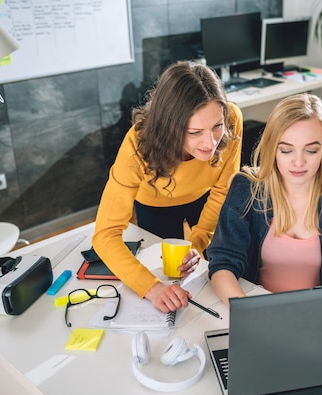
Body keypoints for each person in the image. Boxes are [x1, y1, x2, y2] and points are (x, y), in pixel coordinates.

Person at [93, 61, 243, 313]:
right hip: (155, 204)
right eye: (195, 132)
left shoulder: (231, 119)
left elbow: (222, 191)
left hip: (204, 197)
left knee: (205, 269)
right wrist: (151, 288)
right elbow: (105, 235)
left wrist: (197, 242)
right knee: (166, 275)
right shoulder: (137, 146)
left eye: (216, 127)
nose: (211, 143)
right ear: (169, 127)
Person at [207, 93, 322, 303]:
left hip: (321, 316)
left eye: (311, 150)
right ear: (272, 149)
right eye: (286, 150)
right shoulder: (246, 188)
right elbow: (223, 263)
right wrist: (247, 313)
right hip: (255, 309)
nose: (298, 162)